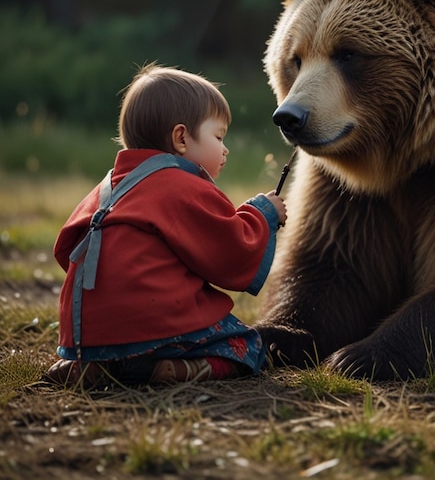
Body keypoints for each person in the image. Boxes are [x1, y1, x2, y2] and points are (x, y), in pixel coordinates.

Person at [45, 63, 287, 387]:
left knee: (121, 354)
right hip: (155, 326)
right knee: (249, 347)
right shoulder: (183, 188)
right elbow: (230, 248)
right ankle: (177, 369)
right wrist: (264, 214)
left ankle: (90, 368)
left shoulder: (109, 189)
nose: (225, 148)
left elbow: (66, 249)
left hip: (87, 334)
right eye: (218, 136)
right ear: (181, 138)